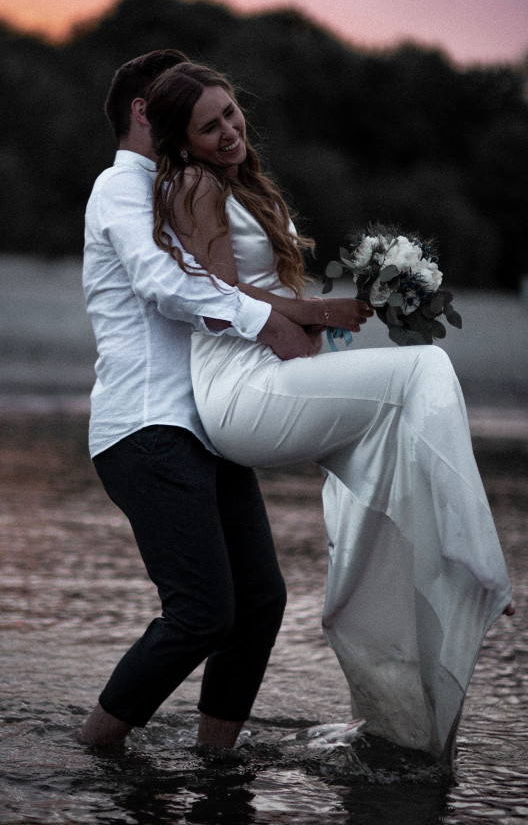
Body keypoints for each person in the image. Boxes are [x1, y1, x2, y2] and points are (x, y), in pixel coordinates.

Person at [145, 61, 514, 761]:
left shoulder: (243, 182)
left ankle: (405, 655)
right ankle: (476, 561)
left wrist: (347, 309)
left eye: (230, 113)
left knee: (399, 434)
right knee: (425, 368)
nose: (227, 130)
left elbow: (266, 293)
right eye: (208, 125)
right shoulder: (194, 185)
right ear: (182, 141)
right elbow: (224, 298)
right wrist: (323, 308)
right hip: (237, 390)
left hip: (271, 371)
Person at [78, 50, 352, 750]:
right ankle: (92, 749)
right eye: (175, 103)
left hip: (207, 423)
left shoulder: (185, 185)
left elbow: (220, 283)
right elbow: (160, 285)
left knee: (259, 604)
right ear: (145, 112)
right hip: (148, 426)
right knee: (201, 611)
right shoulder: (121, 188)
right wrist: (272, 321)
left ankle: (214, 762)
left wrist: (310, 315)